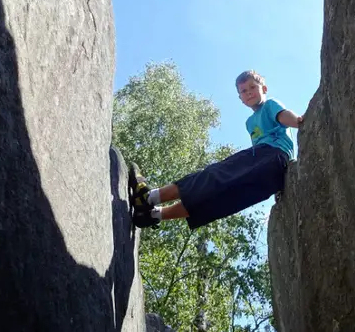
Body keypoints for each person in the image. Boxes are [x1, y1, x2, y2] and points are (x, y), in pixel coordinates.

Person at [129, 70, 303, 229]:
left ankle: (147, 197)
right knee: (220, 200)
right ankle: (153, 215)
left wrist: (298, 121)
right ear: (240, 99)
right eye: (243, 91)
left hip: (271, 154)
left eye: (252, 87)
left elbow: (283, 116)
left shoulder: (269, 105)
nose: (248, 92)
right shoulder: (250, 122)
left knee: (213, 175)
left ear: (264, 88)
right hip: (273, 174)